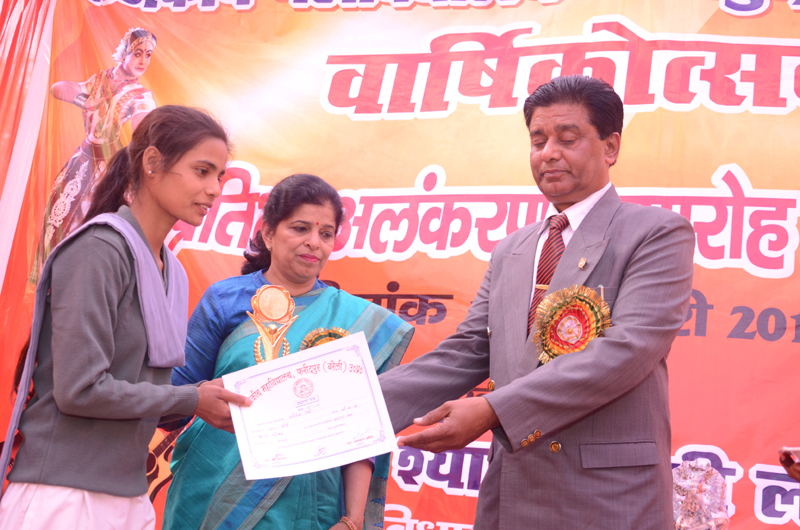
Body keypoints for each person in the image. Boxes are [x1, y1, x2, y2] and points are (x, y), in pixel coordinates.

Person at [379, 75, 696, 529]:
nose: (548, 153)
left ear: (610, 147)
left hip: (608, 500)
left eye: (567, 138)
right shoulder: (512, 248)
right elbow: (468, 350)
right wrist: (356, 405)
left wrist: (493, 410)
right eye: (538, 140)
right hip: (514, 491)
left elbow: (629, 350)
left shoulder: (656, 233)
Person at [0, 105, 250, 530]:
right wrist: (192, 398)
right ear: (152, 163)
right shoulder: (98, 250)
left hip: (130, 496)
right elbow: (80, 390)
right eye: (202, 171)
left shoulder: (172, 271)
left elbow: (148, 395)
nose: (214, 190)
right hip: (63, 495)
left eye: (220, 177)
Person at [163, 174, 415, 530]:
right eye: (300, 228)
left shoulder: (354, 320)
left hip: (312, 510)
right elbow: (175, 402)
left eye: (326, 233)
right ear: (268, 232)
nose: (314, 242)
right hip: (216, 496)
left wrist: (353, 520)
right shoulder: (225, 300)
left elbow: (361, 433)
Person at [32, 27, 158, 279]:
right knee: (56, 220)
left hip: (108, 167)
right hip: (80, 161)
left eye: (148, 55)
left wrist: (144, 133)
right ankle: (47, 284)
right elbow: (58, 87)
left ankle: (76, 286)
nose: (143, 61)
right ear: (124, 53)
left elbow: (143, 124)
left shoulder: (140, 95)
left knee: (89, 228)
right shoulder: (100, 80)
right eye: (137, 53)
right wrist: (84, 100)